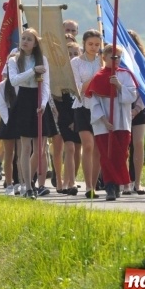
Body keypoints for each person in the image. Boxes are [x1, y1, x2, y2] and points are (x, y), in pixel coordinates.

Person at [85, 45, 138, 201]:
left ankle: (117, 185)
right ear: (104, 57)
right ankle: (110, 187)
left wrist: (119, 86)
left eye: (118, 57)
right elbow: (93, 103)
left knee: (120, 154)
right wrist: (104, 120)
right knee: (107, 155)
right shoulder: (98, 77)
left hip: (121, 121)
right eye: (112, 57)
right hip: (103, 123)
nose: (116, 60)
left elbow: (132, 96)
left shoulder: (125, 75)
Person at [3, 28, 51, 199]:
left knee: (39, 148)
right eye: (23, 38)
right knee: (25, 147)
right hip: (24, 99)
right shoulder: (14, 60)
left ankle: (29, 180)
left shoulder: (42, 59)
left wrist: (43, 103)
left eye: (29, 39)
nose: (25, 42)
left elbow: (46, 84)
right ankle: (28, 186)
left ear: (35, 43)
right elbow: (14, 80)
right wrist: (32, 71)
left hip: (38, 100)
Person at [71, 30, 103, 199]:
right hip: (82, 105)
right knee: (88, 145)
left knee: (97, 148)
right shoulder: (76, 62)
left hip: (99, 107)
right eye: (90, 44)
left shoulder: (102, 61)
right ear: (84, 44)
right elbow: (79, 88)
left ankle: (94, 184)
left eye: (97, 44)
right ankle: (88, 185)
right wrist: (97, 76)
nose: (94, 47)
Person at [126, 29, 145, 195]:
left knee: (138, 144)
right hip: (121, 109)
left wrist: (136, 109)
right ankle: (126, 181)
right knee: (123, 147)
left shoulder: (142, 63)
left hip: (139, 109)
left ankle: (138, 182)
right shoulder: (118, 61)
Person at [54, 41, 81, 194]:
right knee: (62, 148)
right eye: (69, 54)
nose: (72, 57)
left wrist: (75, 120)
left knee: (75, 148)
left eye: (75, 54)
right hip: (61, 115)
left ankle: (71, 179)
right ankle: (61, 180)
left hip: (76, 115)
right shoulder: (60, 73)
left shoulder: (81, 72)